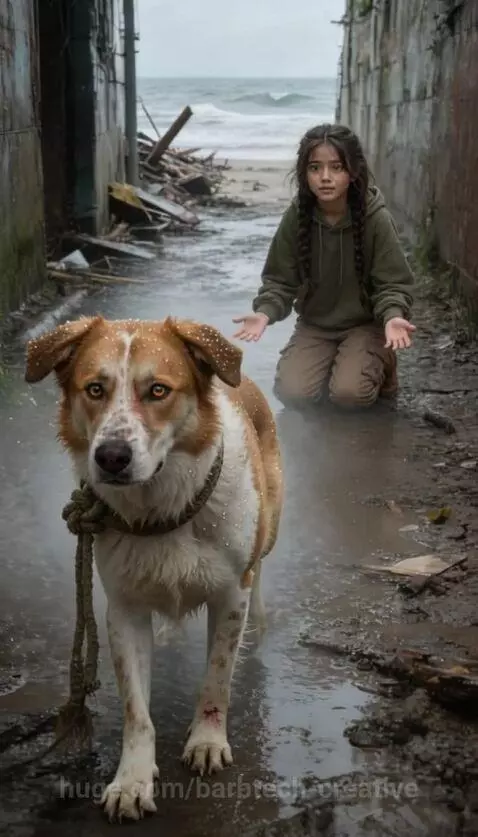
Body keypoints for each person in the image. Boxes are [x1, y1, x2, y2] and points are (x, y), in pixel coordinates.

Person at [232, 124, 416, 409]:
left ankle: (383, 363)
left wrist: (392, 316)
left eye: (336, 167)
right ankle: (339, 364)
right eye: (315, 168)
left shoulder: (375, 218)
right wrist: (264, 313)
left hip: (364, 325)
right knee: (292, 393)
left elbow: (392, 282)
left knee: (350, 395)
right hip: (315, 325)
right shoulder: (297, 217)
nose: (325, 178)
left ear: (353, 172)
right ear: (305, 174)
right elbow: (279, 279)